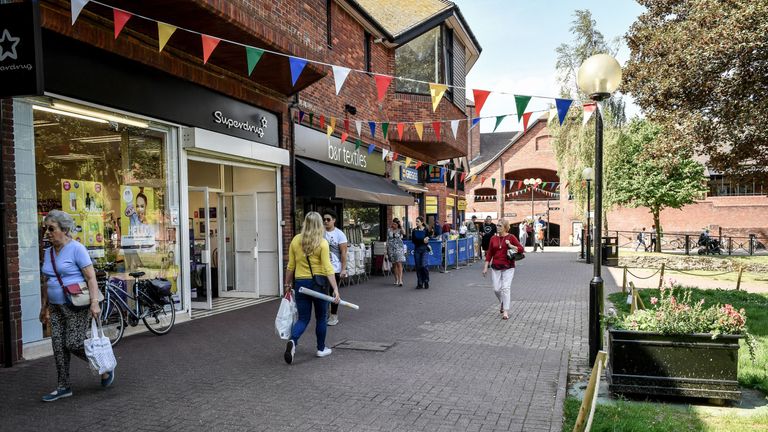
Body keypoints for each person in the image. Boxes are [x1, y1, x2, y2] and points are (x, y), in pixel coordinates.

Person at [39, 210, 113, 402]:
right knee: (58, 345)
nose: (47, 232)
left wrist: (95, 303)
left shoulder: (77, 249)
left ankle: (104, 366)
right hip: (55, 306)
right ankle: (63, 386)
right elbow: (47, 280)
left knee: (72, 343)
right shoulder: (48, 252)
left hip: (76, 304)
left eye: (51, 228)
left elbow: (91, 277)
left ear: (64, 229)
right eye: (46, 228)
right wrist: (44, 306)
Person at [283, 212, 341, 364]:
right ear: (319, 225)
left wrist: (287, 284)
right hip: (319, 284)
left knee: (303, 318)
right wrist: (335, 289)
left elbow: (291, 266)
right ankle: (321, 349)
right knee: (321, 317)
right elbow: (328, 268)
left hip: (301, 283)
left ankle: (293, 341)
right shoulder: (322, 243)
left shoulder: (296, 240)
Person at [482, 219, 524, 320]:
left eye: (500, 226)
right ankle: (502, 301)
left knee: (505, 288)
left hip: (508, 267)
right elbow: (489, 254)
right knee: (496, 289)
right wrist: (485, 267)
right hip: (496, 266)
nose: (497, 227)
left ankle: (505, 311)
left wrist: (510, 245)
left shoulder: (511, 237)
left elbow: (521, 249)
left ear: (505, 227)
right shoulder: (493, 238)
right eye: (497, 225)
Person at [322, 210, 347, 326]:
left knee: (333, 292)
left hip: (335, 268)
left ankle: (334, 315)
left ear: (334, 220)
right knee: (322, 292)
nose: (326, 221)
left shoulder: (339, 234)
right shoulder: (320, 232)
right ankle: (324, 314)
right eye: (324, 219)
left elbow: (343, 253)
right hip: (321, 268)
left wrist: (343, 269)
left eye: (328, 219)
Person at [412, 216, 431, 289]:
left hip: (424, 249)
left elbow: (429, 236)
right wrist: (422, 240)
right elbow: (413, 240)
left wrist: (427, 238)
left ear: (422, 222)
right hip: (417, 250)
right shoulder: (414, 230)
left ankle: (426, 280)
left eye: (418, 221)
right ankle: (420, 282)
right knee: (418, 267)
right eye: (416, 221)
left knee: (424, 265)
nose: (416, 223)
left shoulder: (426, 230)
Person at [386, 218, 406, 286]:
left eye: (395, 224)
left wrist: (401, 225)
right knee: (394, 264)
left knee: (399, 263)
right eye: (393, 223)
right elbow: (387, 240)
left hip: (399, 248)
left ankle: (400, 280)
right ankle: (396, 279)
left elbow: (404, 233)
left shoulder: (400, 230)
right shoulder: (389, 230)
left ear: (398, 224)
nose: (394, 225)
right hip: (391, 248)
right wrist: (386, 249)